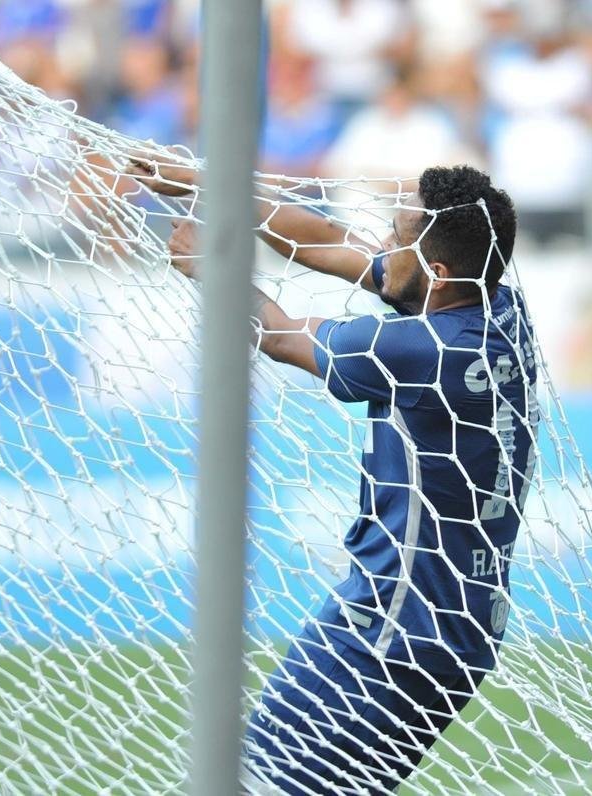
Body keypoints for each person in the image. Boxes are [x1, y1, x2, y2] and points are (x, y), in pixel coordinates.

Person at [131, 160, 538, 792]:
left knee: (248, 781)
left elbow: (285, 337)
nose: (382, 245)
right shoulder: (495, 309)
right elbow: (322, 240)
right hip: (458, 630)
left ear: (435, 271)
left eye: (397, 236)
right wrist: (204, 182)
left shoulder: (425, 350)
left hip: (392, 624)